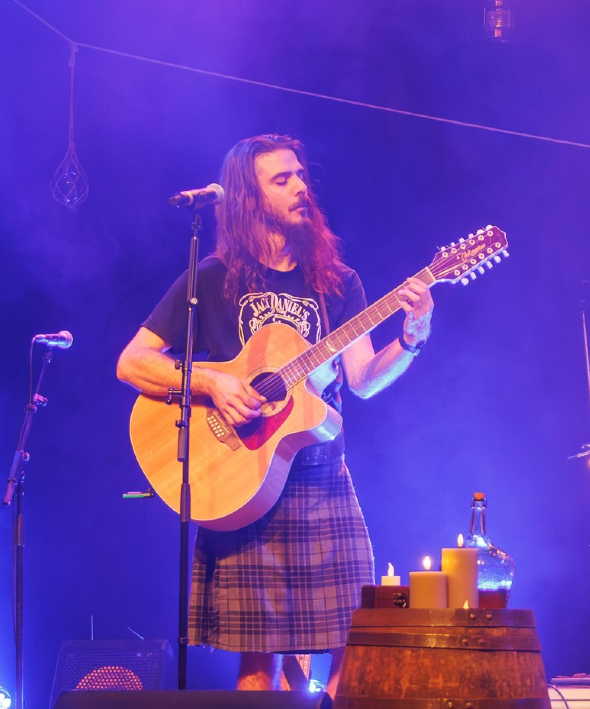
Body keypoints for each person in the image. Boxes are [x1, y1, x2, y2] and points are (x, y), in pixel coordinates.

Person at [115, 134, 436, 693]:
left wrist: (411, 337)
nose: (300, 188)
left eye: (300, 176)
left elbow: (360, 380)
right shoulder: (210, 279)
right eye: (281, 180)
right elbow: (132, 362)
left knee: (352, 643)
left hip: (320, 477)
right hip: (237, 474)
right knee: (257, 666)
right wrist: (211, 380)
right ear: (246, 196)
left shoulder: (337, 282)